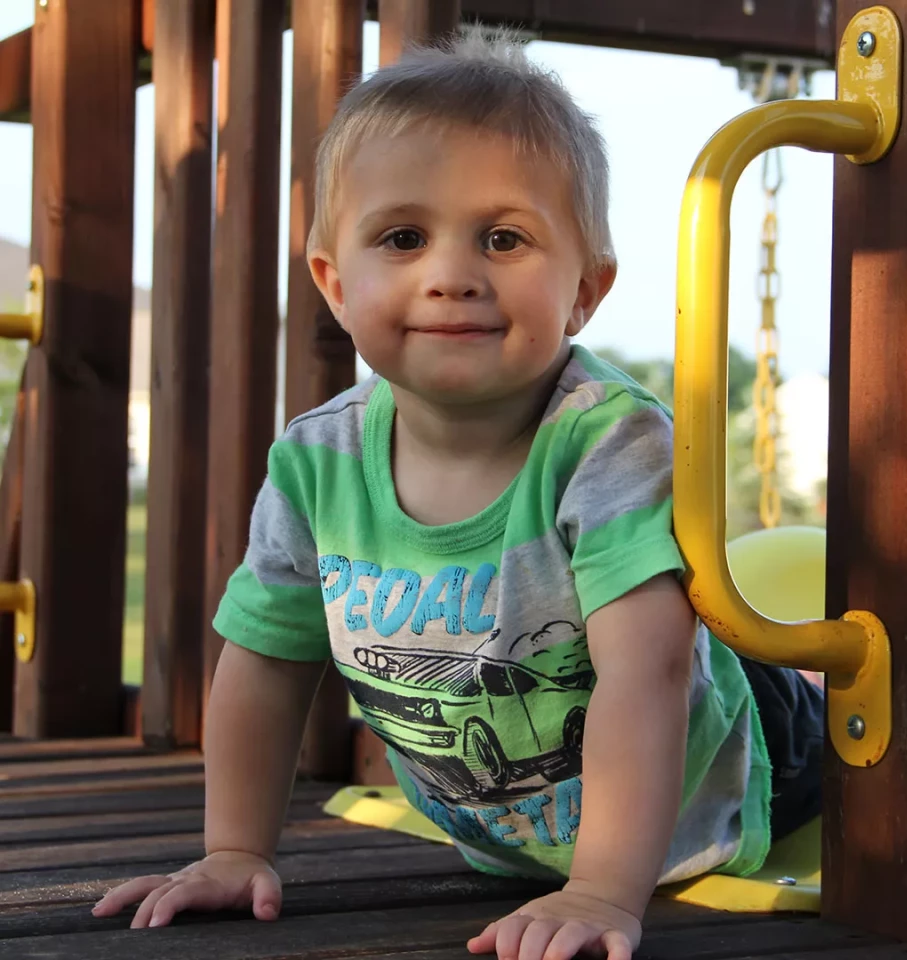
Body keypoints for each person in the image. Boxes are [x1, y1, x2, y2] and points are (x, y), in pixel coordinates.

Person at [92, 31, 823, 960]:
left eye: (504, 238)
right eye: (403, 238)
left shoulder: (605, 442)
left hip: (735, 761)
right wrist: (233, 849)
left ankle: (808, 677)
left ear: (585, 292)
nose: (452, 273)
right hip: (513, 830)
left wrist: (600, 894)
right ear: (334, 283)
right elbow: (264, 663)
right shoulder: (318, 462)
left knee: (870, 748)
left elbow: (649, 675)